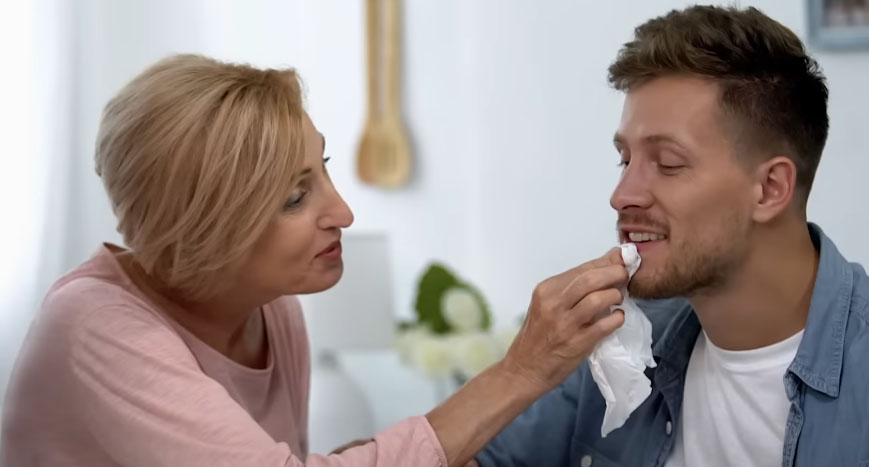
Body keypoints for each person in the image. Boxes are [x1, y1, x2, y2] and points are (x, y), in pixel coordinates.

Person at [0, 54, 630, 467]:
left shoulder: (274, 311)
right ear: (204, 227)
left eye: (321, 170)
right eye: (295, 197)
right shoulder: (94, 327)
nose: (344, 214)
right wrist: (520, 369)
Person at [475, 5, 869, 467]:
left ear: (770, 188)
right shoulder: (618, 348)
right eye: (625, 160)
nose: (622, 195)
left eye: (668, 163)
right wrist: (518, 372)